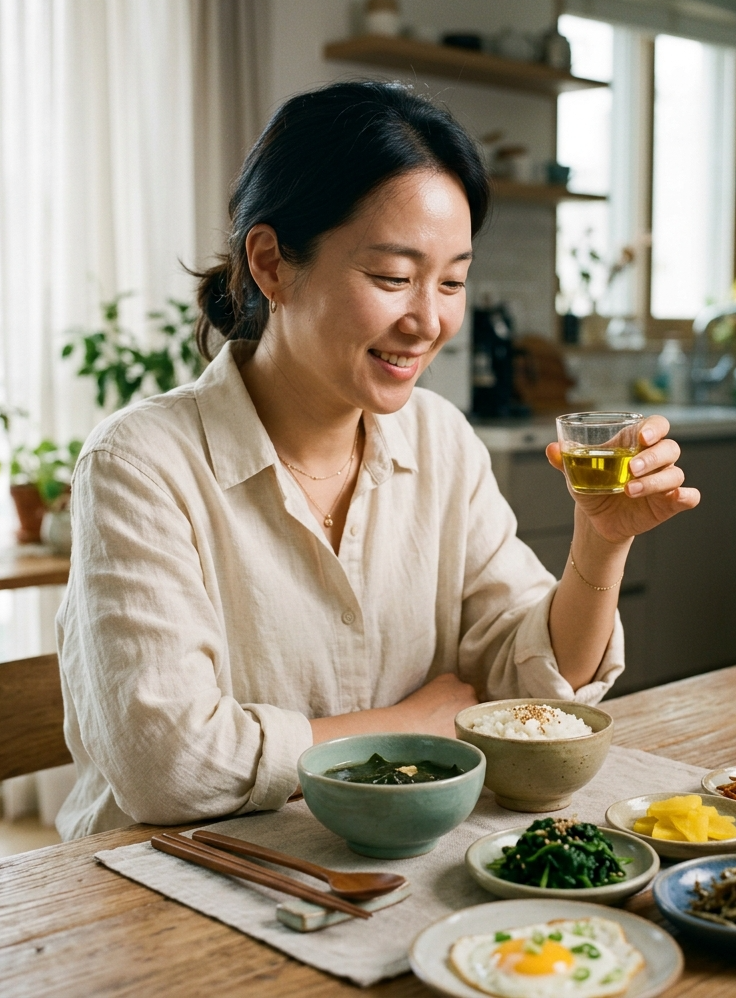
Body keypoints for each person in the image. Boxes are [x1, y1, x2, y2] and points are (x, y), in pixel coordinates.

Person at [55, 82, 699, 839]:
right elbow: (169, 765)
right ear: (270, 264)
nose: (429, 321)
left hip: (390, 862)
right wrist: (409, 727)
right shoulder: (141, 462)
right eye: (393, 277)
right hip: (168, 885)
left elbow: (530, 682)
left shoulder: (440, 440)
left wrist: (602, 539)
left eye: (452, 281)